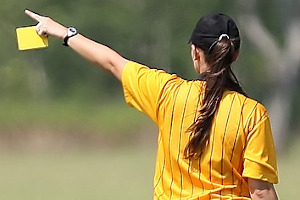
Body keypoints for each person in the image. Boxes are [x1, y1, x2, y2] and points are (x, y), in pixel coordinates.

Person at [25, 10, 279, 200]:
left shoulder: (167, 93)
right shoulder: (253, 114)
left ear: (195, 53)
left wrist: (62, 32)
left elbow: (111, 62)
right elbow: (261, 193)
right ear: (235, 54)